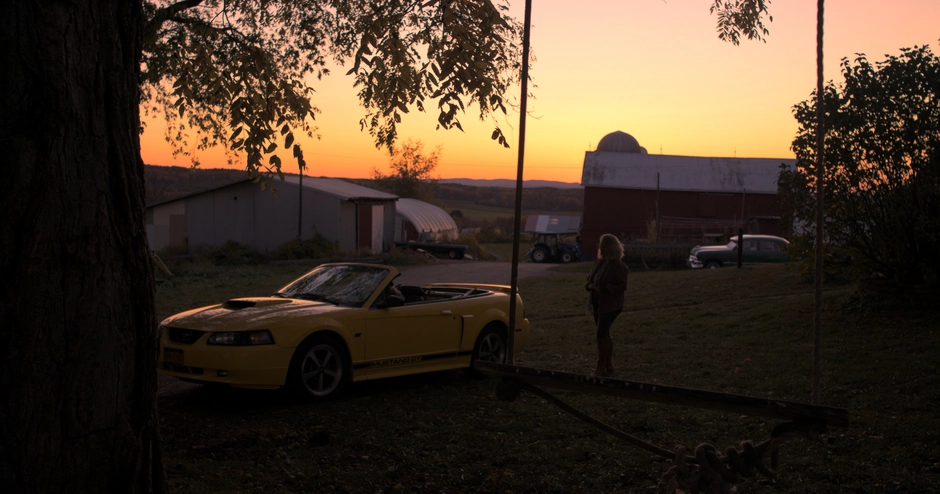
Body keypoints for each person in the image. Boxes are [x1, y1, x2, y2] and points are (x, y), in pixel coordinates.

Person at [585, 234, 629, 376]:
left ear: (611, 248)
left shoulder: (618, 266)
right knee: (604, 333)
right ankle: (608, 365)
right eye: (600, 246)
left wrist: (604, 289)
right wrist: (590, 286)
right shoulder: (599, 262)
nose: (601, 249)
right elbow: (589, 279)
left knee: (601, 332)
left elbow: (622, 286)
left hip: (611, 305)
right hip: (597, 303)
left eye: (604, 247)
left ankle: (600, 366)